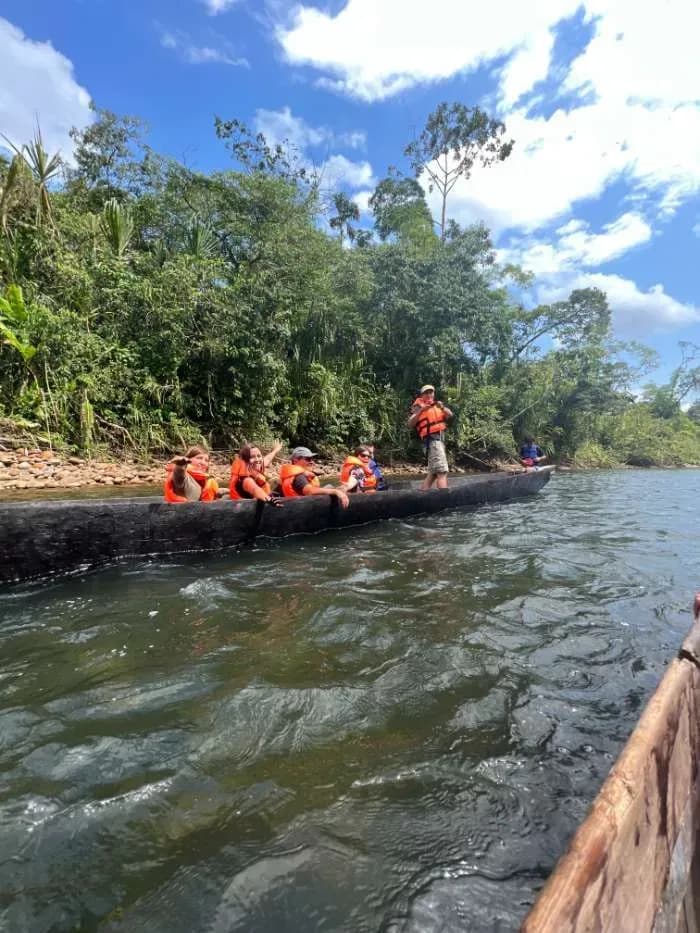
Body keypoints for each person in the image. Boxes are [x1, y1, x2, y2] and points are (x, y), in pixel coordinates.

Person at [408, 384, 453, 490]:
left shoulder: (437, 405)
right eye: (426, 393)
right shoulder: (418, 406)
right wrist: (421, 411)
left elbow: (450, 415)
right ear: (422, 395)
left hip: (438, 441)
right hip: (433, 441)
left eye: (431, 392)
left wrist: (442, 407)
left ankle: (422, 494)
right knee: (441, 472)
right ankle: (443, 498)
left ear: (433, 394)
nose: (429, 394)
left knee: (432, 474)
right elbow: (410, 423)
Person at [278, 447, 350, 508]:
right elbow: (309, 491)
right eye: (308, 459)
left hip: (298, 506)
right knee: (331, 488)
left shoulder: (291, 476)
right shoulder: (298, 477)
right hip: (303, 509)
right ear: (296, 460)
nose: (311, 462)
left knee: (330, 486)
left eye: (312, 459)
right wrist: (335, 491)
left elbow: (274, 494)